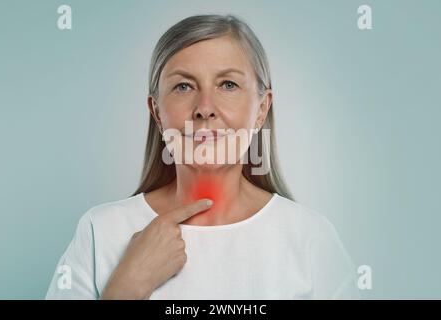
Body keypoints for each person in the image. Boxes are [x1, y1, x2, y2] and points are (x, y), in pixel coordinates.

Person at [46, 14, 360, 300]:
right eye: (183, 86)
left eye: (228, 84)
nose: (205, 107)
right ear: (156, 111)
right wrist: (128, 286)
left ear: (262, 108)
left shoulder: (311, 238)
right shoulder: (100, 232)